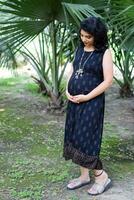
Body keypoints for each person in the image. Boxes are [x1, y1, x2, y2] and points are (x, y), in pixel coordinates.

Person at [63, 16, 113, 195]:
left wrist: (87, 97)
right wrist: (68, 91)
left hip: (92, 103)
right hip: (74, 101)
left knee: (87, 139)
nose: (84, 39)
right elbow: (74, 71)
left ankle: (101, 176)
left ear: (97, 36)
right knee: (75, 136)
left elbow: (108, 81)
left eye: (88, 36)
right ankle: (84, 176)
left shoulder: (104, 52)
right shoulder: (79, 49)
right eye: (82, 35)